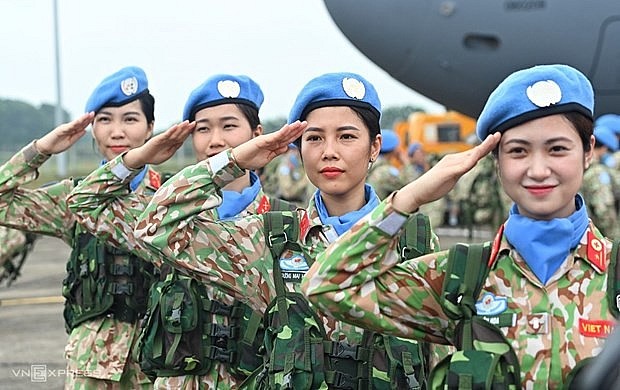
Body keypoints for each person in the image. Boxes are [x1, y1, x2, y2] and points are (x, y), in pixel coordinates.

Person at [302, 64, 618, 388]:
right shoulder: (461, 279)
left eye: (557, 149)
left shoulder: (615, 274)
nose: (538, 170)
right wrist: (410, 197)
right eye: (518, 151)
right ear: (495, 159)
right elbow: (326, 287)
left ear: (588, 151)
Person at [131, 72, 436, 389]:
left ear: (374, 147)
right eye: (314, 138)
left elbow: (439, 355)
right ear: (299, 148)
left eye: (346, 136)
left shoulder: (411, 239)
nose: (329, 151)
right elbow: (156, 229)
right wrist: (234, 160)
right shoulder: (270, 240)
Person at [68, 74, 290, 389]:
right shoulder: (167, 221)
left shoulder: (285, 224)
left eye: (229, 126)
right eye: (203, 129)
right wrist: (139, 156)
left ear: (257, 134)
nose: (216, 140)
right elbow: (84, 203)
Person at [0, 66, 159, 388]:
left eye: (130, 119)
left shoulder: (172, 196)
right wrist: (41, 150)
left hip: (160, 362)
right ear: (92, 130)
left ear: (150, 127)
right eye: (105, 120)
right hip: (93, 364)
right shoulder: (73, 199)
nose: (117, 132)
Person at [580, 125, 619, 237]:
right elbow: (604, 210)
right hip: (599, 236)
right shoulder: (598, 172)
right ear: (604, 148)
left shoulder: (580, 165)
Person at [366, 128, 407, 199]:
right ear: (393, 149)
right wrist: (406, 163)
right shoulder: (386, 172)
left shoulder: (370, 165)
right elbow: (409, 187)